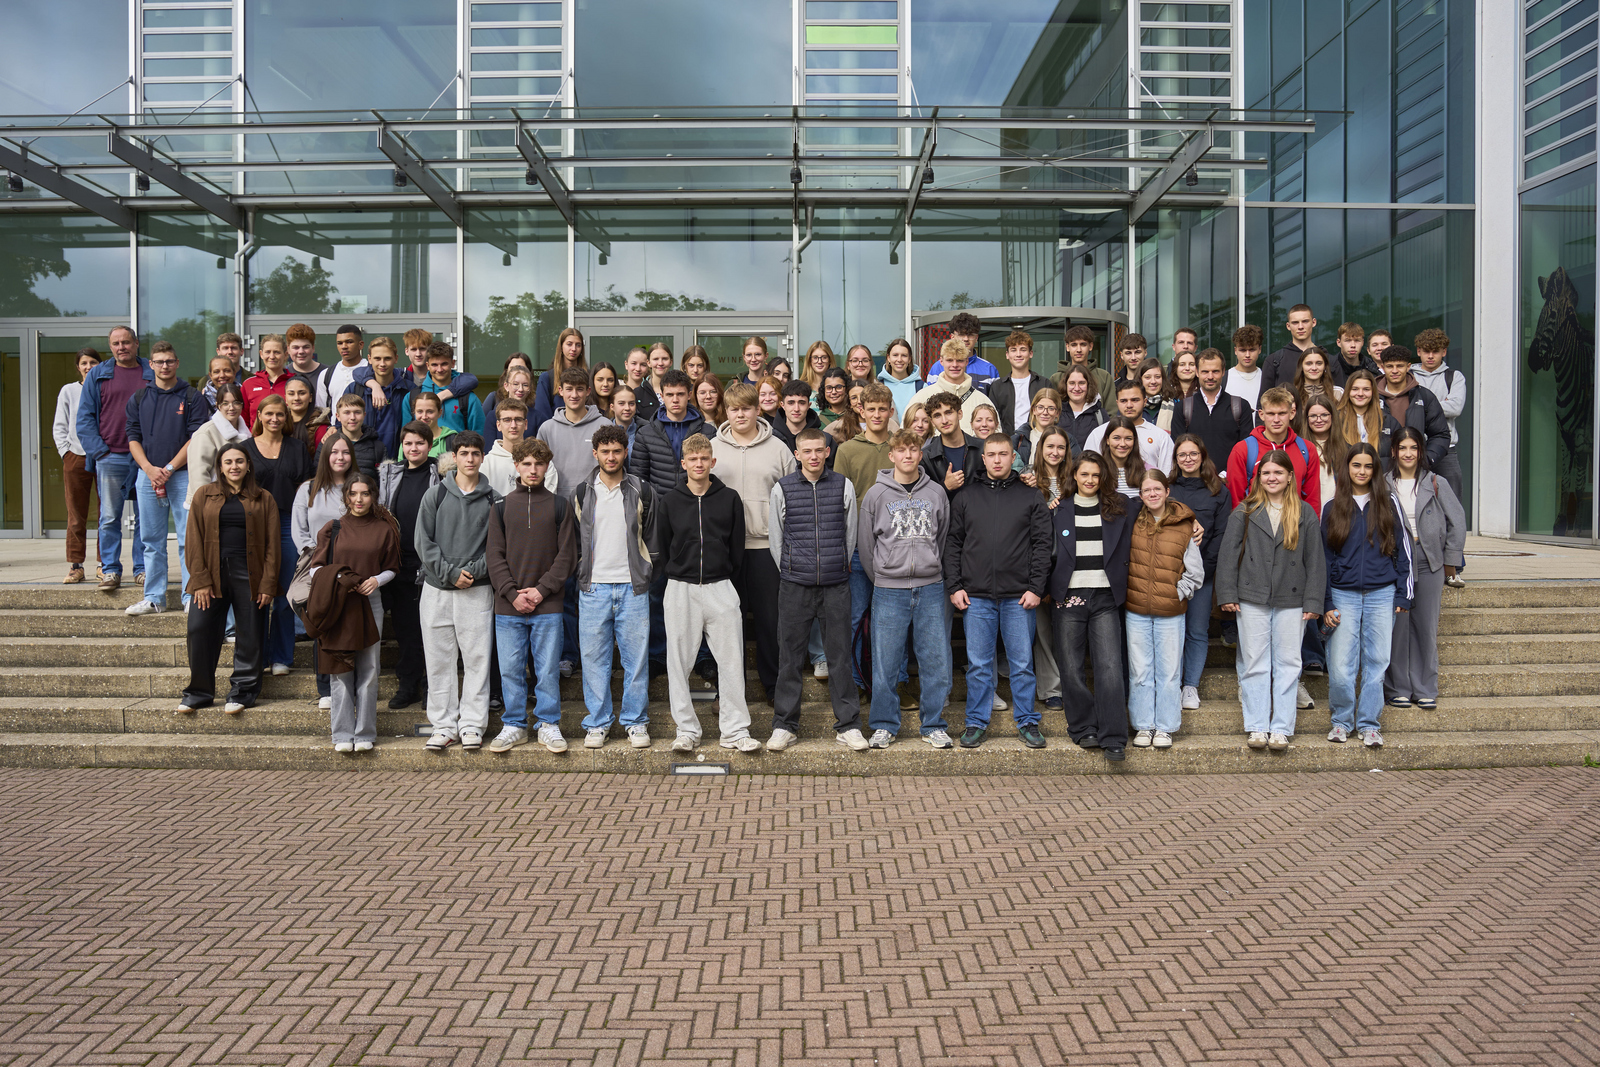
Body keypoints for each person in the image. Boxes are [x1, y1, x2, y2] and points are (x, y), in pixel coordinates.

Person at [944, 434, 1053, 748]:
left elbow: (1043, 545)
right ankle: (976, 723)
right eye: (991, 454)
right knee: (978, 665)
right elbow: (953, 544)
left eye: (1003, 454)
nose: (996, 460)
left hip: (1019, 596)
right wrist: (955, 586)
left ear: (1012, 457)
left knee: (1021, 664)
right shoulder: (966, 496)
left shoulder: (1030, 496)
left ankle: (1028, 721)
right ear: (983, 457)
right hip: (975, 596)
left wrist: (1036, 588)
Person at [655, 432, 761, 752]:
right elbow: (662, 544)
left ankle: (735, 731)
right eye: (693, 459)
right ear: (683, 463)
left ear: (712, 461)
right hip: (681, 589)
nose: (699, 464)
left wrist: (723, 574)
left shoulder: (729, 498)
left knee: (731, 661)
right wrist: (679, 572)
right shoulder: (670, 500)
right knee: (678, 663)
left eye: (704, 458)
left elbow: (737, 547)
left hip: (720, 586)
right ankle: (686, 730)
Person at [1216, 449, 1326, 751]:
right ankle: (1257, 726)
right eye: (1266, 473)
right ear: (1258, 478)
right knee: (1255, 662)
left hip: (1292, 598)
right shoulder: (1246, 510)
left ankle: (1281, 727)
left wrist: (1314, 601)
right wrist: (1227, 593)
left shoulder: (1304, 513)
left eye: (1278, 472)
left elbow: (1315, 560)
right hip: (1251, 597)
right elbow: (1227, 555)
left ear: (1290, 476)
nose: (1272, 477)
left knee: (1289, 662)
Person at [767, 428, 865, 752]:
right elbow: (776, 539)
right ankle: (784, 725)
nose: (812, 456)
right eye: (806, 451)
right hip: (795, 586)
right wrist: (793, 571)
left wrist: (837, 566)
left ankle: (848, 725)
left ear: (827, 452)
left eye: (818, 450)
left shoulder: (843, 486)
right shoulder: (782, 488)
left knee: (839, 658)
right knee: (790, 658)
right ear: (797, 454)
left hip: (836, 585)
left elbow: (850, 535)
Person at [858, 428, 953, 749]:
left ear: (920, 453)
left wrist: (929, 567)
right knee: (885, 662)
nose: (908, 455)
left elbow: (942, 538)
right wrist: (884, 576)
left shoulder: (937, 493)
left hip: (930, 588)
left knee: (936, 660)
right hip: (889, 589)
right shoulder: (876, 495)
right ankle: (884, 724)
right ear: (892, 455)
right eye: (902, 450)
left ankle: (934, 724)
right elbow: (866, 546)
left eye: (914, 449)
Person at [566, 425, 657, 748]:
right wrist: (580, 571)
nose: (611, 457)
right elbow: (574, 539)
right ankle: (598, 723)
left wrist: (646, 570)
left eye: (617, 451)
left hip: (632, 586)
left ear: (625, 452)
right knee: (594, 659)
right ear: (595, 454)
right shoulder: (581, 492)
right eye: (605, 451)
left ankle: (635, 722)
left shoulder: (641, 489)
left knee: (635, 660)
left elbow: (652, 536)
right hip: (593, 588)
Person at [486, 437, 578, 754]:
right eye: (526, 463)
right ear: (516, 466)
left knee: (547, 670)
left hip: (548, 604)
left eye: (539, 464)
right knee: (510, 670)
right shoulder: (499, 507)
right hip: (508, 606)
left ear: (547, 466)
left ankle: (548, 724)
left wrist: (540, 591)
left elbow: (567, 556)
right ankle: (514, 725)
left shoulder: (559, 506)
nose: (533, 469)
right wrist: (512, 593)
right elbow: (494, 556)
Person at [1322, 443, 1413, 748]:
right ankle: (1341, 721)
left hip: (1382, 594)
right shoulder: (1332, 507)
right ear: (1346, 469)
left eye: (1368, 466)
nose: (1361, 471)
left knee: (1376, 662)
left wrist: (1403, 594)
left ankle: (1369, 724)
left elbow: (1404, 551)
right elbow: (1324, 559)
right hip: (1342, 595)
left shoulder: (1389, 503)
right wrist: (1327, 602)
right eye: (1356, 465)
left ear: (1375, 471)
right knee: (1340, 665)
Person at [1048, 450, 1137, 761]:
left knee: (1110, 667)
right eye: (1084, 474)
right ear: (1074, 475)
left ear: (1104, 478)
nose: (1089, 480)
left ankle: (1114, 735)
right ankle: (1084, 727)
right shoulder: (1059, 509)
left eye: (1095, 475)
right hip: (1069, 596)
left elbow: (1159, 503)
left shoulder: (1120, 507)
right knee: (1071, 668)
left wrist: (1192, 521)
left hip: (1104, 597)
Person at [711, 383, 797, 703]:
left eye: (746, 408)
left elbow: (794, 498)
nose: (740, 414)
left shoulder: (778, 448)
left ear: (757, 410)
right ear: (727, 412)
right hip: (726, 551)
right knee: (727, 624)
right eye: (734, 409)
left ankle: (774, 687)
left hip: (766, 548)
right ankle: (729, 690)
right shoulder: (713, 448)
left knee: (769, 622)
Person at [179, 443, 279, 714]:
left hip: (250, 574)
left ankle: (243, 692)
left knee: (250, 633)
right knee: (199, 630)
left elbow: (273, 545)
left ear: (248, 465)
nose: (234, 466)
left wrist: (268, 583)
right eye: (228, 462)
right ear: (220, 467)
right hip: (211, 573)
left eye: (239, 461)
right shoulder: (204, 495)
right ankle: (199, 692)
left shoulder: (263, 498)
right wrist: (199, 580)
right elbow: (193, 539)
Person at [304, 473, 399, 753]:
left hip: (371, 602)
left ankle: (365, 732)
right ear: (346, 497)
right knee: (341, 666)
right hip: (339, 604)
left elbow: (393, 567)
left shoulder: (385, 529)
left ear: (373, 496)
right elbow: (315, 568)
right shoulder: (333, 528)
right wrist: (341, 579)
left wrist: (376, 580)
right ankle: (343, 732)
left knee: (370, 668)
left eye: (365, 494)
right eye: (353, 494)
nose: (359, 499)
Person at [417, 431, 500, 752]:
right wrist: (451, 574)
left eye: (474, 454)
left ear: (481, 457)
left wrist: (472, 573)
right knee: (438, 659)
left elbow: (496, 548)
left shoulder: (494, 500)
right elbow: (423, 543)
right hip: (437, 590)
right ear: (454, 457)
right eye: (463, 453)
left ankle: (472, 725)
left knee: (477, 659)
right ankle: (443, 725)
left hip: (477, 591)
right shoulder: (435, 496)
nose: (469, 459)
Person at [629, 368, 707, 677]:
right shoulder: (648, 431)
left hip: (697, 518)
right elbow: (639, 479)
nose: (675, 400)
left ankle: (702, 657)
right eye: (669, 394)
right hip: (659, 522)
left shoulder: (706, 430)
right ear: (662, 395)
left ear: (689, 394)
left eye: (680, 394)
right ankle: (659, 655)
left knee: (699, 590)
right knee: (657, 589)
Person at [124, 339, 211, 616]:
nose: (164, 366)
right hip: (147, 476)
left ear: (177, 363)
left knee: (189, 538)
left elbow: (195, 439)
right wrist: (150, 470)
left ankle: (189, 595)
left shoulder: (191, 397)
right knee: (151, 539)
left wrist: (169, 469)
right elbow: (132, 438)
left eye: (169, 361)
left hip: (183, 476)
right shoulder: (139, 398)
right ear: (151, 365)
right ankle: (154, 597)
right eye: (159, 361)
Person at [1385, 427, 1464, 712]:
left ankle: (1425, 687)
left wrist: (1450, 561)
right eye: (1402, 447)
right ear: (1394, 451)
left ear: (1420, 452)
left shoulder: (1435, 482)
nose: (1408, 453)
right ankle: (1398, 688)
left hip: (1429, 559)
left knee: (1426, 627)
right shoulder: (1383, 484)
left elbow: (1457, 522)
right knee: (1398, 628)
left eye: (1413, 448)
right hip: (1395, 562)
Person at [1124, 470, 1205, 749]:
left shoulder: (1184, 525)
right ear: (1141, 496)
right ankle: (1144, 725)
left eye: (1157, 488)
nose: (1152, 494)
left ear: (1167, 491)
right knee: (1140, 670)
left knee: (1169, 671)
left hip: (1171, 611)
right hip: (1136, 609)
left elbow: (1195, 572)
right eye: (1146, 490)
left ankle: (1166, 727)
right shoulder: (1132, 522)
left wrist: (1176, 592)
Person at [832, 382, 897, 688]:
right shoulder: (847, 450)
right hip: (858, 547)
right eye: (871, 409)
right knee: (856, 617)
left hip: (895, 548)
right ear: (861, 410)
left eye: (882, 409)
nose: (877, 414)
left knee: (893, 623)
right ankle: (857, 683)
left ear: (891, 410)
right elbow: (840, 504)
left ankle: (892, 683)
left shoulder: (901, 448)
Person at [78, 325, 151, 592]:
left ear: (136, 343)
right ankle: (110, 570)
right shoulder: (98, 374)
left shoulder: (151, 372)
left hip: (146, 459)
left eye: (126, 342)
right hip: (111, 457)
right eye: (116, 343)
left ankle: (142, 569)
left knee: (147, 516)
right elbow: (84, 418)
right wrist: (100, 452)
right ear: (111, 347)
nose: (122, 347)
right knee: (109, 517)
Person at [243, 394, 312, 677]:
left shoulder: (297, 447)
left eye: (280, 415)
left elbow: (307, 485)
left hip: (286, 524)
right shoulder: (244, 449)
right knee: (254, 594)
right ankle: (256, 657)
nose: (274, 419)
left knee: (284, 593)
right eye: (269, 414)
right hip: (252, 526)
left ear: (286, 418)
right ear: (259, 415)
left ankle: (282, 656)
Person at [377, 421, 440, 711]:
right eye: (408, 443)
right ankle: (408, 684)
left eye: (419, 443)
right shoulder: (390, 474)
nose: (413, 449)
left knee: (431, 628)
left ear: (429, 445)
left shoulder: (439, 474)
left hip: (430, 563)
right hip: (399, 562)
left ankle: (432, 686)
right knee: (405, 628)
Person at [1169, 434, 1233, 712]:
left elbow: (1222, 534)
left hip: (1202, 575)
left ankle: (1190, 685)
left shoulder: (1219, 490)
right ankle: (1171, 684)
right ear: (1175, 459)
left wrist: (1202, 571)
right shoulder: (1167, 488)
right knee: (1171, 632)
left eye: (1193, 454)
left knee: (1196, 631)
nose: (1188, 459)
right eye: (1182, 455)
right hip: (1168, 575)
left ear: (1203, 456)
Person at [292, 435, 354, 710]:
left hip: (350, 568)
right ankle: (325, 687)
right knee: (322, 627)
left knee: (349, 627)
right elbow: (300, 530)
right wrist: (316, 560)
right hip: (317, 569)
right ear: (325, 456)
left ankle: (350, 683)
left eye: (345, 453)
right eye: (334, 452)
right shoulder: (309, 489)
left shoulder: (358, 488)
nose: (340, 457)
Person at [1021, 427, 1073, 712]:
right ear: (1040, 448)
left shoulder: (1075, 479)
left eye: (1061, 447)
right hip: (1037, 562)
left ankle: (1067, 684)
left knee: (1063, 630)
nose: (1055, 452)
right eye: (1049, 446)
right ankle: (1051, 688)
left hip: (1068, 563)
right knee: (1041, 630)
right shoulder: (1029, 480)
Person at [1225, 386, 1321, 514]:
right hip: (1256, 527)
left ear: (1292, 413)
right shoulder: (1243, 450)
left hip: (1295, 526)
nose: (1276, 420)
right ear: (1261, 414)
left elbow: (1312, 498)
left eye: (1282, 413)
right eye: (1271, 414)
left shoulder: (1307, 449)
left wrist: (1312, 531)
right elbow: (1236, 500)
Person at [1411, 328, 1468, 533]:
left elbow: (1456, 407)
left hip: (1447, 449)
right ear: (1418, 351)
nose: (1431, 356)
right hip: (1412, 449)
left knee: (1451, 505)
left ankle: (1453, 559)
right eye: (1426, 351)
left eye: (1436, 351)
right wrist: (1439, 403)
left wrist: (1421, 405)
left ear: (1444, 352)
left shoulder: (1454, 377)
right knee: (1413, 503)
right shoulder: (1408, 375)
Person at [1170, 349, 1253, 483]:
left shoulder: (1241, 406)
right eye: (1205, 372)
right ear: (1197, 372)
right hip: (1194, 483)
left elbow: (1246, 449)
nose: (1210, 376)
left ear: (1223, 372)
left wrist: (1225, 475)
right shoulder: (1183, 408)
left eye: (1215, 371)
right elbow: (1178, 448)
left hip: (1231, 482)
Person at [54, 346, 100, 583]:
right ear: (78, 366)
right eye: (84, 363)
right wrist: (66, 452)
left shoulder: (105, 388)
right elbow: (60, 425)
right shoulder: (69, 391)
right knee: (75, 514)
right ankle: (76, 565)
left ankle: (105, 564)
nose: (88, 366)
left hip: (103, 456)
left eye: (93, 362)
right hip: (76, 455)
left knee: (107, 513)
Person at [1375, 345, 1450, 471]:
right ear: (1382, 367)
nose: (1394, 371)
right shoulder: (1370, 397)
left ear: (1408, 366)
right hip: (1379, 471)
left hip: (1415, 471)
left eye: (1400, 366)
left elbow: (1440, 434)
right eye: (1389, 366)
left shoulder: (1424, 396)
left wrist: (1426, 459)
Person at [1084, 381, 1175, 474]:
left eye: (1135, 400)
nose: (1129, 405)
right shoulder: (1099, 433)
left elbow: (1167, 475)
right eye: (1123, 401)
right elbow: (1088, 470)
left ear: (1144, 402)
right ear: (1117, 403)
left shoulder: (1160, 436)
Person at [186, 383, 251, 510]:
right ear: (218, 406)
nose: (231, 407)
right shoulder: (206, 432)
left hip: (237, 500)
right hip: (211, 503)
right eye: (225, 403)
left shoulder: (246, 433)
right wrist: (207, 504)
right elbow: (198, 474)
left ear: (242, 405)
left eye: (236, 402)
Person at [399, 342, 485, 436]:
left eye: (444, 364)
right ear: (427, 366)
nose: (439, 370)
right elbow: (406, 436)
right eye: (434, 365)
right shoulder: (412, 397)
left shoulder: (468, 398)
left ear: (452, 363)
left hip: (456, 450)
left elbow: (479, 436)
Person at [346, 336, 407, 457]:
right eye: (377, 358)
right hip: (362, 459)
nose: (382, 364)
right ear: (369, 359)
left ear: (396, 359)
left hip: (397, 459)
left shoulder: (407, 389)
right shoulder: (355, 389)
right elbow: (342, 425)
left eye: (387, 358)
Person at [910, 338, 988, 433]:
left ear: (966, 362)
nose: (955, 365)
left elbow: (995, 440)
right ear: (941, 361)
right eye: (950, 360)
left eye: (959, 360)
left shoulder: (982, 401)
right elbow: (906, 436)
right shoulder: (922, 397)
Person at [919, 391, 983, 498]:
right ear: (932, 422)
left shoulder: (982, 448)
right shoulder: (925, 457)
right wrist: (945, 487)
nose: (944, 420)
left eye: (948, 413)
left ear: (959, 414)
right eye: (937, 415)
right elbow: (922, 499)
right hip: (944, 514)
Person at [986, 329, 1048, 436]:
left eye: (1023, 350)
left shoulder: (1043, 384)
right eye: (1013, 350)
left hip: (1038, 441)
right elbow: (992, 419)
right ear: (1007, 355)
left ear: (1031, 353)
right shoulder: (997, 387)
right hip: (1007, 442)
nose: (1018, 354)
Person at [531, 326, 587, 432]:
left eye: (578, 345)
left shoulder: (588, 376)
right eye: (569, 344)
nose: (574, 349)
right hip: (556, 436)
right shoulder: (547, 378)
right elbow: (542, 417)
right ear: (561, 347)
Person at [322, 393, 387, 477]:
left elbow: (384, 481)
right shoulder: (327, 443)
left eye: (357, 412)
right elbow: (319, 475)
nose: (352, 417)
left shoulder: (378, 447)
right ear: (338, 416)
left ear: (364, 415)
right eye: (347, 413)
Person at [927, 312, 999, 382]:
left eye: (970, 335)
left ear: (976, 338)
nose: (966, 339)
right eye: (961, 334)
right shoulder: (937, 368)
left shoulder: (989, 369)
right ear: (952, 337)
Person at [1261, 304, 1319, 392]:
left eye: (1305, 321)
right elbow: (1263, 402)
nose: (1300, 327)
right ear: (1288, 326)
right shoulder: (1274, 360)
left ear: (1313, 322)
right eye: (1295, 322)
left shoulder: (1327, 358)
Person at [772, 381, 830, 466]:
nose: (796, 408)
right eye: (791, 403)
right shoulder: (771, 439)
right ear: (782, 405)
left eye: (802, 403)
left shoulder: (826, 439)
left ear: (809, 405)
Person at [240, 334, 291, 428]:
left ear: (285, 355)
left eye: (277, 352)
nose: (272, 356)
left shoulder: (295, 383)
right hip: (256, 440)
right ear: (261, 354)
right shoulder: (249, 384)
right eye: (268, 352)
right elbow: (243, 421)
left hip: (288, 440)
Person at [1058, 365, 1108, 456]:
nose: (1076, 388)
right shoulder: (1056, 413)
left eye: (1081, 383)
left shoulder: (1100, 415)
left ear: (1089, 385)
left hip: (1090, 468)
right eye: (1072, 383)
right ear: (1065, 385)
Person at [315, 324, 366, 409]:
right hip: (335, 422)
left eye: (349, 342)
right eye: (340, 343)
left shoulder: (372, 370)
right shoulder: (326, 374)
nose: (344, 347)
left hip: (366, 422)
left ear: (360, 344)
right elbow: (321, 411)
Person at [1057, 324, 1114, 400]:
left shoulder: (1104, 377)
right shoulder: (1056, 378)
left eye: (1083, 344)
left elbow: (1110, 410)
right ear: (1067, 347)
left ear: (1090, 346)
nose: (1079, 350)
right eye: (1074, 345)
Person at [481, 353, 536, 431]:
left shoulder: (536, 404)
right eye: (513, 368)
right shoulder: (493, 399)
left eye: (521, 368)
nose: (517, 372)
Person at [1097, 416, 1147, 498]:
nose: (1123, 444)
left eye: (1128, 438)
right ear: (1107, 440)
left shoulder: (1147, 470)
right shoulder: (1098, 470)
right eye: (1116, 438)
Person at [1011, 388, 1062, 468]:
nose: (1045, 412)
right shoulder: (1018, 439)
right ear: (1034, 410)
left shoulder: (1067, 440)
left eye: (1051, 408)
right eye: (1040, 407)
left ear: (1057, 413)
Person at [1337, 369, 1385, 447]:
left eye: (1366, 389)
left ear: (1373, 392)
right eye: (1355, 389)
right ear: (1348, 391)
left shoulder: (1387, 421)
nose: (1360, 394)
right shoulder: (1335, 419)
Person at [1292, 346, 1342, 420]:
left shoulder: (1338, 393)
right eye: (1309, 363)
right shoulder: (1292, 393)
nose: (1314, 368)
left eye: (1319, 363)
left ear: (1325, 366)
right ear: (1301, 367)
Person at [877, 337, 923, 414]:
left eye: (904, 355)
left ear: (909, 359)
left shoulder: (921, 387)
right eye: (895, 355)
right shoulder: (878, 386)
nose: (899, 359)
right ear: (888, 358)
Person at [283, 376, 328, 452]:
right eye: (291, 394)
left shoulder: (321, 427)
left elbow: (321, 459)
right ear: (286, 398)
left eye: (302, 393)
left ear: (310, 397)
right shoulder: (279, 422)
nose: (296, 398)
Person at [1226, 324, 1265, 410]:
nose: (1247, 355)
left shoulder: (1266, 378)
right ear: (1235, 351)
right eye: (1243, 350)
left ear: (1259, 349)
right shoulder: (1224, 379)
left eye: (1252, 350)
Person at [1330, 322, 1380, 387]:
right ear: (1339, 343)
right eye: (1347, 340)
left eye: (1357, 340)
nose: (1353, 345)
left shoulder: (1372, 368)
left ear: (1362, 342)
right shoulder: (1329, 368)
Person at [1137, 357, 1176, 432]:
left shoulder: (1175, 405)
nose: (1153, 381)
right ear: (1140, 380)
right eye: (1147, 377)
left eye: (1157, 377)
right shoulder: (1131, 406)